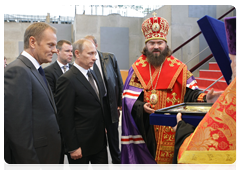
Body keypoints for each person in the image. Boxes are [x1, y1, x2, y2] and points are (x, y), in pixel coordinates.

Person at [121, 14, 221, 170]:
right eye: (152, 43)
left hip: (174, 128)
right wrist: (141, 106)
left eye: (160, 43)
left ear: (165, 44)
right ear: (146, 45)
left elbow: (191, 94)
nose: (156, 46)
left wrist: (205, 97)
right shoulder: (137, 68)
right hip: (148, 130)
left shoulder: (179, 68)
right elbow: (129, 99)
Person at [172, 16, 238, 170]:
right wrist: (219, 97)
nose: (231, 64)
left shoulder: (179, 68)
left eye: (232, 60)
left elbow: (195, 158)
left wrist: (181, 128)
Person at [4, 22, 61, 170]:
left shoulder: (35, 70)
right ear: (33, 42)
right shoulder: (18, 71)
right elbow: (18, 130)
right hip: (36, 161)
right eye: (50, 45)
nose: (55, 50)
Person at [55, 38, 109, 170]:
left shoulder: (93, 73)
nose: (94, 58)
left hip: (99, 141)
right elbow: (64, 116)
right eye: (90, 54)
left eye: (95, 53)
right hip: (80, 145)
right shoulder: (67, 80)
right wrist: (72, 147)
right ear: (77, 54)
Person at [85, 35, 123, 167]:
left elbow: (118, 80)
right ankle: (99, 160)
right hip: (96, 104)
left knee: (113, 133)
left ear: (96, 45)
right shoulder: (84, 62)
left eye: (91, 45)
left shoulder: (109, 57)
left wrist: (120, 102)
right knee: (98, 134)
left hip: (111, 101)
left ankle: (117, 158)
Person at [43, 39, 73, 170]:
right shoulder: (49, 72)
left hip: (74, 126)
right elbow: (51, 99)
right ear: (58, 52)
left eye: (72, 51)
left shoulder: (75, 70)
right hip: (58, 126)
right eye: (67, 51)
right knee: (58, 162)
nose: (71, 54)